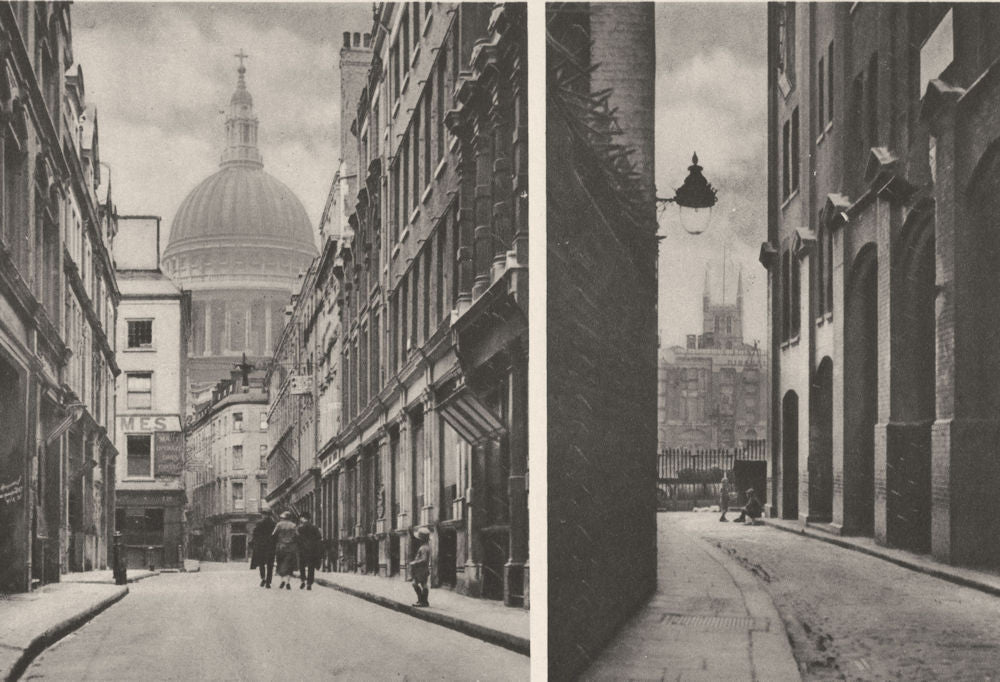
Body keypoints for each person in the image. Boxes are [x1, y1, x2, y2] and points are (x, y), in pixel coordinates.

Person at [249, 505, 276, 588]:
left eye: (263, 514)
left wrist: (253, 543)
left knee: (261, 563)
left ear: (264, 515)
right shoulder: (274, 524)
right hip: (271, 546)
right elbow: (276, 535)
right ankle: (268, 582)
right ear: (270, 515)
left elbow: (255, 534)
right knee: (270, 565)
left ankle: (263, 578)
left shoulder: (259, 523)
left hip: (261, 546)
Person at [272, 510, 299, 590]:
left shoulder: (279, 524)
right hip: (291, 547)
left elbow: (273, 534)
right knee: (289, 565)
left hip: (281, 546)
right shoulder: (293, 525)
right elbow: (297, 535)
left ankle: (283, 580)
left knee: (280, 563)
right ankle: (287, 582)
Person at [296, 512, 323, 590]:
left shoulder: (300, 528)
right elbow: (319, 537)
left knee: (302, 566)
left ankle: (302, 580)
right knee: (311, 567)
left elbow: (297, 539)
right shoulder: (314, 528)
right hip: (312, 550)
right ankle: (309, 583)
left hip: (302, 550)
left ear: (304, 518)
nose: (300, 519)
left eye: (301, 518)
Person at [408, 527, 431, 607]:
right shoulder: (425, 546)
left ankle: (422, 601)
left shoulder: (424, 548)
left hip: (421, 570)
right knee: (423, 584)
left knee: (415, 584)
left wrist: (414, 563)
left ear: (422, 539)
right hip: (422, 569)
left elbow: (424, 559)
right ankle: (423, 601)